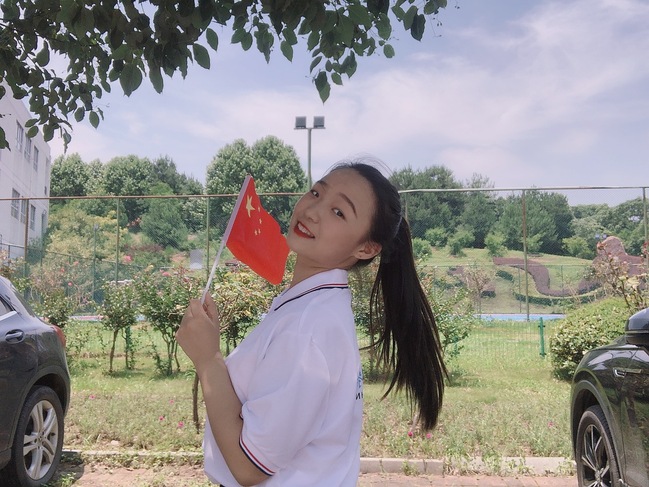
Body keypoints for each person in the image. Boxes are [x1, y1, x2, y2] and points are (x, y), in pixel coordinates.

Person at [176, 160, 447, 487]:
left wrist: (208, 360)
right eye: (317, 192)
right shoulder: (312, 308)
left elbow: (249, 468)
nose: (313, 210)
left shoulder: (308, 329)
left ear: (366, 248)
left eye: (339, 212)